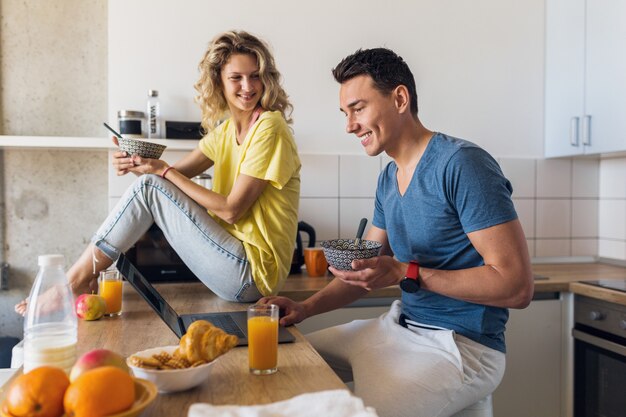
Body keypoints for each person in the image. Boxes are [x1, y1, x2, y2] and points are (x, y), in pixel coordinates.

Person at [259, 48, 533, 417]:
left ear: (400, 99)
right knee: (285, 355)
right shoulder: (388, 178)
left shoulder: (463, 165)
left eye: (358, 108)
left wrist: (407, 272)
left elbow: (516, 286)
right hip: (398, 327)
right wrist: (305, 308)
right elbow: (364, 269)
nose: (349, 125)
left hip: (461, 347)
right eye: (345, 113)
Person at [16, 30, 300, 315]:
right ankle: (79, 278)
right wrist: (135, 165)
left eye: (255, 76)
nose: (247, 86)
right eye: (236, 77)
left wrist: (160, 172)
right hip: (230, 266)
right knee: (150, 185)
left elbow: (231, 210)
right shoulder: (225, 132)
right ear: (219, 82)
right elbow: (166, 184)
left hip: (251, 275)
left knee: (152, 185)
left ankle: (73, 281)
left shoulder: (269, 127)